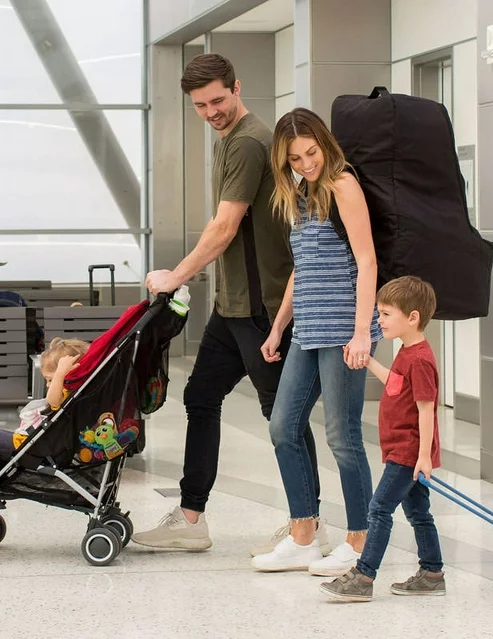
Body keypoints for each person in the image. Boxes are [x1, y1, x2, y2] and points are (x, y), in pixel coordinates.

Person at [132, 54, 326, 553]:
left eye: (218, 100)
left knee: (283, 416)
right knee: (201, 397)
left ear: (237, 88)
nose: (211, 111)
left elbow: (224, 227)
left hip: (263, 307)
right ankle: (192, 519)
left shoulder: (247, 142)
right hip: (233, 302)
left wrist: (175, 275)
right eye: (201, 105)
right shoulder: (228, 139)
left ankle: (308, 525)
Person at [251, 108, 381, 575]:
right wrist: (279, 326)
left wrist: (363, 330)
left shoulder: (343, 185)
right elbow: (302, 268)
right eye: (295, 158)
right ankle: (304, 535)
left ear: (324, 144)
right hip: (308, 327)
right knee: (283, 426)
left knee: (343, 437)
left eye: (311, 153)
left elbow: (367, 262)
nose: (306, 163)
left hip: (345, 328)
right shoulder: (300, 194)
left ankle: (360, 540)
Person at [319, 275, 445, 602]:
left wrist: (424, 457)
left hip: (408, 453)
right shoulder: (408, 351)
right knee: (418, 513)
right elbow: (396, 385)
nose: (379, 320)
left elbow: (427, 409)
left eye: (386, 314)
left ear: (412, 317)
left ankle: (363, 576)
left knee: (378, 510)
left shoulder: (420, 360)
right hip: (403, 451)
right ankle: (432, 572)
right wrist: (368, 361)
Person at [0, 338, 89, 460]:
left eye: (50, 379)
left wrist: (59, 374)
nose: (47, 385)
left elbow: (52, 400)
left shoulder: (66, 395)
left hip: (30, 447)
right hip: (34, 443)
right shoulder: (80, 395)